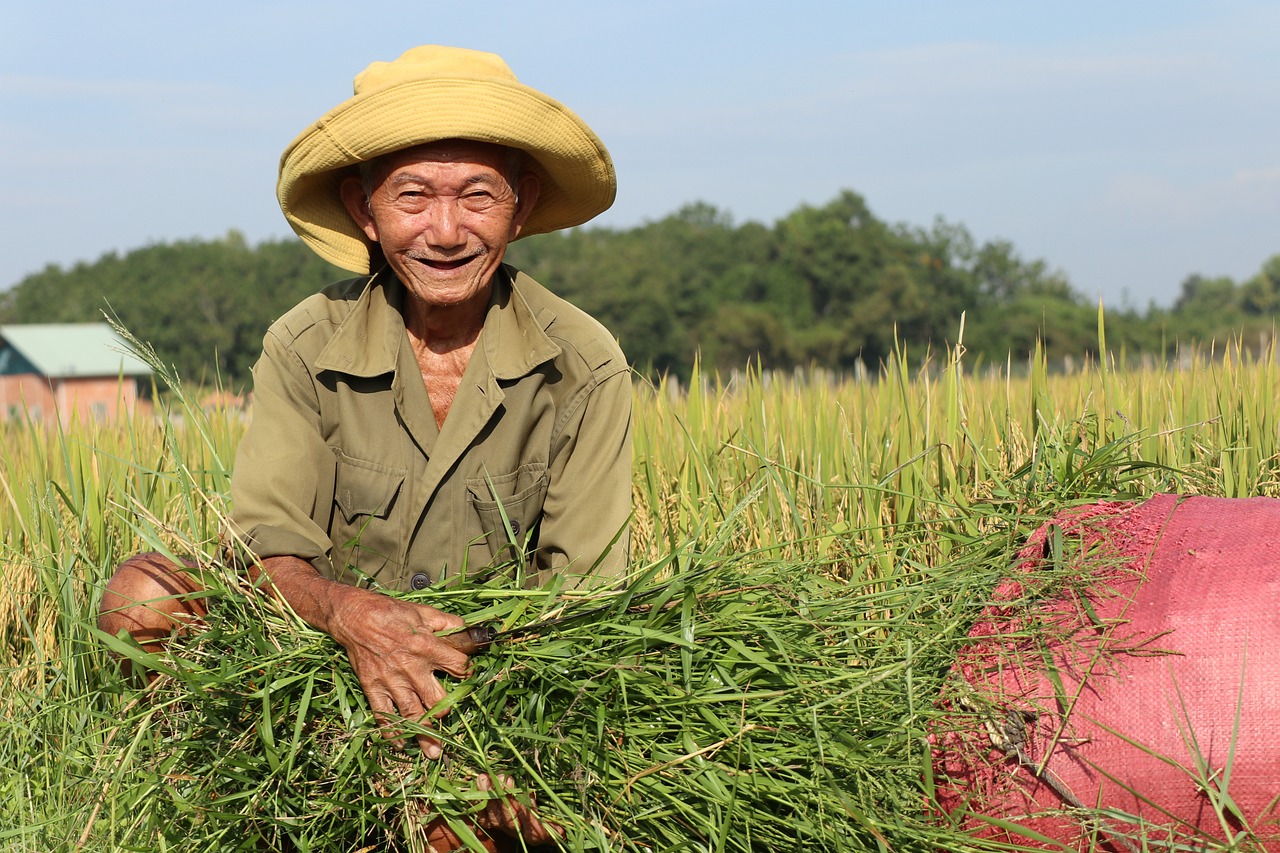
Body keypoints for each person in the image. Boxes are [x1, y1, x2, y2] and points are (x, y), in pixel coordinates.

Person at [98, 45, 633, 850]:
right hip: (322, 657)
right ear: (365, 211)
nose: (445, 231)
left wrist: (490, 731)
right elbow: (268, 548)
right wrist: (352, 615)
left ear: (518, 211)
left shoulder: (584, 364)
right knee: (142, 598)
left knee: (468, 826)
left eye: (478, 196)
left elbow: (581, 601)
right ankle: (202, 788)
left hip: (491, 676)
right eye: (413, 195)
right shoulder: (305, 343)